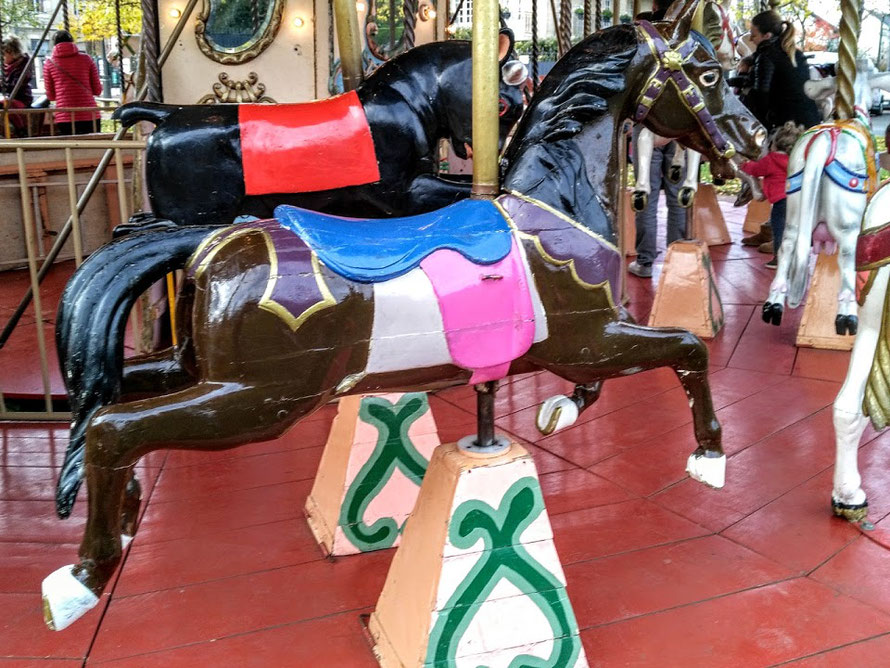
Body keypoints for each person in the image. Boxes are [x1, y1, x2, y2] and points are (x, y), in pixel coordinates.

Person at [737, 11, 819, 248]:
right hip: (807, 123)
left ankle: (782, 237)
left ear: (767, 35)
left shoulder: (767, 55)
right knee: (787, 181)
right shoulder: (792, 53)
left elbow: (761, 94)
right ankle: (771, 229)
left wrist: (753, 123)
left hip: (786, 126)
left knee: (784, 183)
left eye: (753, 34)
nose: (751, 39)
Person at [627, 0, 687, 279]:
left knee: (645, 196)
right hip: (679, 130)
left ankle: (645, 260)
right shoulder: (686, 45)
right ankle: (678, 257)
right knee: (677, 197)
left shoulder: (644, 46)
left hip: (648, 127)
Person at [739, 121, 804, 269]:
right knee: (793, 229)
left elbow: (756, 170)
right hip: (796, 198)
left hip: (781, 201)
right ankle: (795, 256)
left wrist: (744, 164)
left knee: (779, 228)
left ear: (774, 144)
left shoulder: (771, 159)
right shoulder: (794, 160)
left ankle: (779, 258)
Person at [43, 30, 102, 135]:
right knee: (95, 148)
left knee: (71, 149)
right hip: (89, 114)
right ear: (72, 42)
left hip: (65, 116)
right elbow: (97, 90)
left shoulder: (49, 63)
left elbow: (51, 96)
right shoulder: (86, 59)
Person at [1, 36, 33, 137]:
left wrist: (2, 84)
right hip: (11, 97)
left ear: (11, 52)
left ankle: (21, 129)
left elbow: (17, 86)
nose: (2, 58)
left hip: (22, 98)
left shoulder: (23, 65)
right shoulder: (7, 67)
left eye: (3, 55)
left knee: (6, 104)